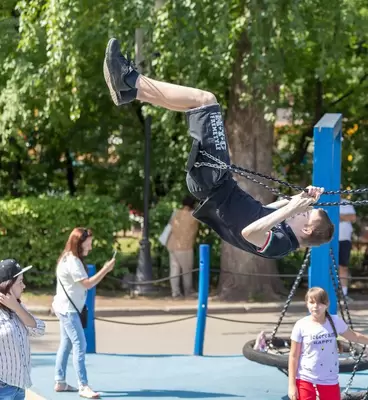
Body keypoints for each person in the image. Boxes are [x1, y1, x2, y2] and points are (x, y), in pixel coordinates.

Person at [103, 38, 334, 260]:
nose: (300, 211)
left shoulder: (281, 245)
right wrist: (299, 197)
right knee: (197, 106)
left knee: (206, 101)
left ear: (306, 230)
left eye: (305, 214)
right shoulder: (281, 229)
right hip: (215, 182)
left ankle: (130, 80)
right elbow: (264, 211)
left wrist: (293, 205)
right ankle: (129, 91)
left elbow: (249, 233)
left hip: (214, 184)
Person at [287, 287, 368, 400]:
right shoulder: (301, 325)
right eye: (312, 302)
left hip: (329, 379)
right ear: (307, 304)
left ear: (327, 304)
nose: (316, 306)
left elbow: (355, 337)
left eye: (320, 303)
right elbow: (294, 356)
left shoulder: (335, 321)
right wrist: (291, 385)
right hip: (306, 379)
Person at [52, 228, 116, 399]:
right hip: (68, 310)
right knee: (80, 344)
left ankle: (60, 381)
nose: (91, 247)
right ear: (79, 243)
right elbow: (87, 284)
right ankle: (83, 386)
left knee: (66, 344)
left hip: (64, 307)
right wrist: (105, 270)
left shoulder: (68, 257)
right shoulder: (73, 261)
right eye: (89, 243)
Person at [0, 259, 46, 400]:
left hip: (19, 387)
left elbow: (39, 329)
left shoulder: (19, 309)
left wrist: (17, 308)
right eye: (20, 282)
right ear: (7, 285)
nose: (24, 286)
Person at [166, 195, 200, 299]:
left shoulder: (176, 213)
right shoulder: (194, 215)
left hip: (172, 245)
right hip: (185, 247)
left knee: (174, 269)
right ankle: (188, 292)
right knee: (187, 270)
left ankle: (175, 293)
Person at [338, 201, 356, 301]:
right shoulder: (324, 200)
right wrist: (344, 217)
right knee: (326, 266)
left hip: (344, 239)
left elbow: (353, 217)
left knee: (343, 267)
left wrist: (336, 215)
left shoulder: (346, 202)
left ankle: (343, 294)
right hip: (328, 238)